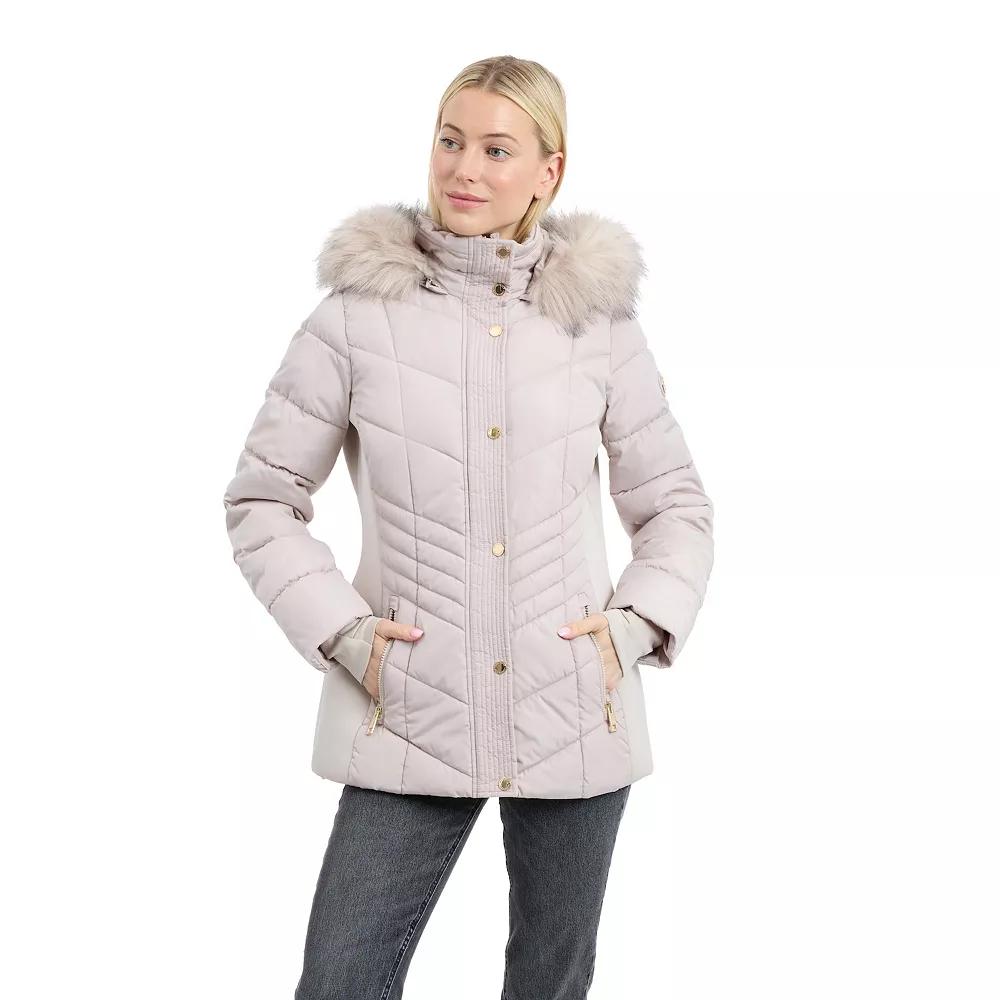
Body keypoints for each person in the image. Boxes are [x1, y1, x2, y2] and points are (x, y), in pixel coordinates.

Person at [223, 55, 714, 1000]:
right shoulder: (357, 316)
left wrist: (630, 631)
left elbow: (675, 506)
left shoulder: (598, 324)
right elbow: (262, 498)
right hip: (410, 703)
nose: (464, 169)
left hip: (574, 705)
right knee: (340, 980)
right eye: (451, 141)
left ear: (548, 171)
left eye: (496, 149)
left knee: (550, 984)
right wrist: (346, 635)